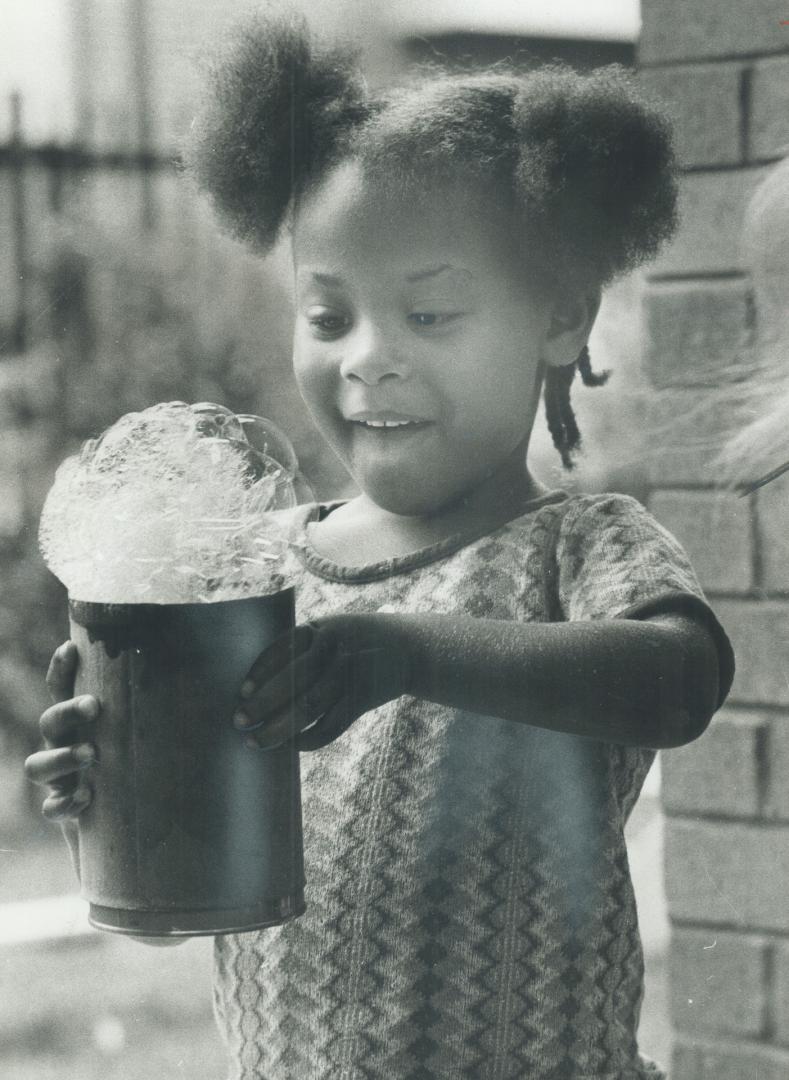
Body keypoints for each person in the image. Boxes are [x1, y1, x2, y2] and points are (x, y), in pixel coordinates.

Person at [25, 12, 734, 1079]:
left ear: (559, 320)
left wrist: (410, 651)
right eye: (328, 316)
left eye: (431, 314)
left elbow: (678, 681)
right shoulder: (252, 576)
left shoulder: (577, 547)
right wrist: (113, 804)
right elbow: (184, 913)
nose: (369, 359)